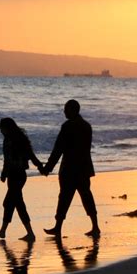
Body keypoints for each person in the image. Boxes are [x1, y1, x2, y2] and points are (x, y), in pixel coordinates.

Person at [42, 99, 100, 238]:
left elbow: (58, 149)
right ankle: (95, 226)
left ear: (72, 110)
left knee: (64, 198)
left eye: (66, 109)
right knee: (86, 196)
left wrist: (48, 168)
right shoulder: (87, 126)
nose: (64, 112)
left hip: (69, 169)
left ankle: (58, 227)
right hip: (84, 168)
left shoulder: (67, 126)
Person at [0, 117, 43, 242]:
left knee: (9, 203)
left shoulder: (19, 139)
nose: (0, 130)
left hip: (19, 175)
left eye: (2, 128)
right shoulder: (7, 139)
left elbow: (30, 154)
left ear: (8, 127)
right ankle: (25, 233)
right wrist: (4, 173)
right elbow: (6, 159)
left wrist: (40, 166)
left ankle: (7, 231)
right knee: (18, 204)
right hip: (12, 175)